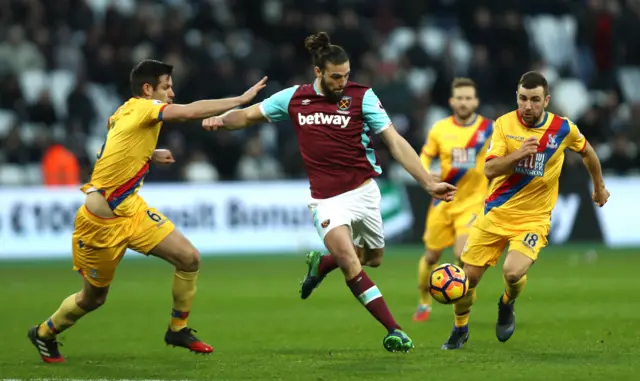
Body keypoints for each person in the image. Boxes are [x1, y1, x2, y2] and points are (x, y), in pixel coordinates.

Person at [202, 32, 456, 353]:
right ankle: (395, 330)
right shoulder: (294, 98)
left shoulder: (362, 97)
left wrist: (426, 180)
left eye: (347, 75)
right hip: (325, 199)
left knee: (372, 259)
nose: (343, 81)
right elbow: (249, 115)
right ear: (318, 73)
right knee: (351, 262)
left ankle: (321, 265)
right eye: (336, 76)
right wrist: (222, 121)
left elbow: (394, 141)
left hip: (363, 192)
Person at [28, 59, 267, 363]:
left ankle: (177, 329)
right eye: (166, 86)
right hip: (100, 223)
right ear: (147, 89)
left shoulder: (123, 111)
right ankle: (44, 333)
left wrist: (150, 154)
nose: (172, 93)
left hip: (133, 211)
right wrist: (239, 100)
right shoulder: (144, 108)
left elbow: (110, 145)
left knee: (189, 258)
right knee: (93, 298)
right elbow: (191, 111)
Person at [442, 71, 610, 350]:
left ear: (546, 100)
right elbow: (489, 169)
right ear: (516, 98)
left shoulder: (563, 129)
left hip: (533, 219)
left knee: (512, 272)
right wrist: (519, 154)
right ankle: (460, 329)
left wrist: (599, 187)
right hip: (495, 214)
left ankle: (507, 302)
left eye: (534, 99)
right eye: (523, 99)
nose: (528, 106)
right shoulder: (504, 124)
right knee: (465, 280)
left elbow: (588, 152)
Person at [414, 78, 493, 322]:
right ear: (451, 101)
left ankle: (461, 309)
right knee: (431, 256)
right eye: (459, 98)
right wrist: (426, 175)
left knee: (463, 255)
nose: (464, 102)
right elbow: (424, 157)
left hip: (472, 203)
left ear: (476, 101)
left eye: (468, 98)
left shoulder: (489, 130)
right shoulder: (439, 129)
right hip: (443, 201)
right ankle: (424, 302)